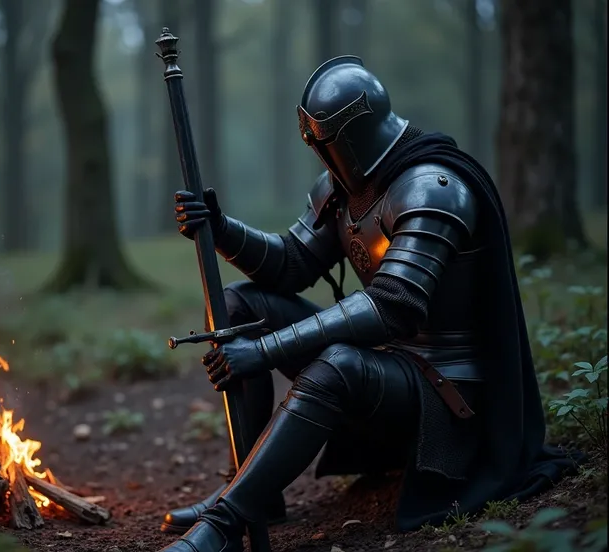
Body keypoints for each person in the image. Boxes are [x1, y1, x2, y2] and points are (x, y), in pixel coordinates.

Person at [159, 56, 580, 552]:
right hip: (390, 366)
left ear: (351, 136)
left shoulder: (433, 189)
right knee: (239, 307)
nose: (320, 155)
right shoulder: (345, 189)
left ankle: (226, 524)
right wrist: (221, 228)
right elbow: (292, 263)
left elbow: (393, 306)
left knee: (336, 364)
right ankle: (252, 490)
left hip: (446, 394)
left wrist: (266, 350)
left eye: (325, 143)